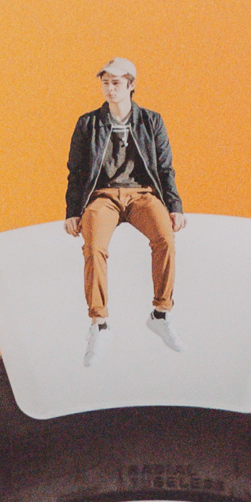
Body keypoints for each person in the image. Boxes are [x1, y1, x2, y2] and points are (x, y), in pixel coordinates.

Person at [64, 56, 182, 347]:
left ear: (131, 85)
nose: (110, 89)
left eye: (116, 83)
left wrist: (174, 205)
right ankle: (99, 324)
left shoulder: (151, 121)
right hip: (103, 197)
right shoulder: (88, 123)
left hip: (143, 194)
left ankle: (160, 314)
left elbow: (165, 168)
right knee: (93, 248)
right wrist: (72, 211)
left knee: (165, 239)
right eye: (105, 83)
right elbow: (76, 171)